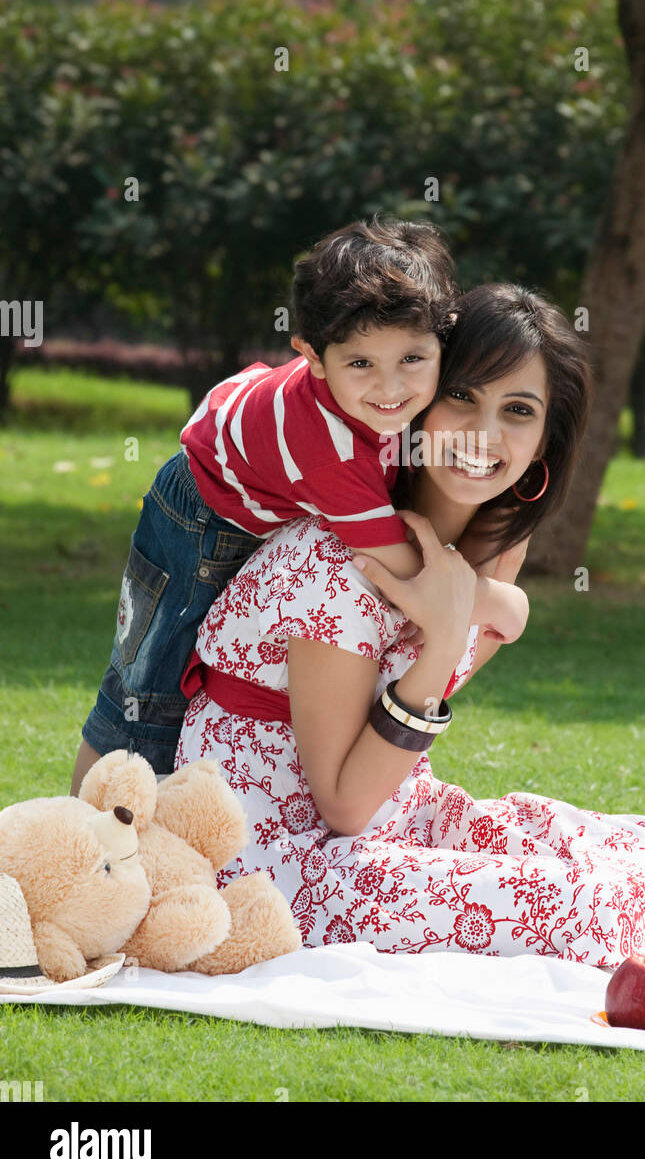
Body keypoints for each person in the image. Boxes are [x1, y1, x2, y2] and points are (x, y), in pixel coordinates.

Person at [174, 283, 645, 965]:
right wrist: (444, 635)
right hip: (277, 863)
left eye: (518, 410)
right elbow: (342, 803)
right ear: (420, 401)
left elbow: (379, 784)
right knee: (590, 909)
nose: (484, 436)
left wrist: (486, 603)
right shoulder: (339, 561)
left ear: (546, 439)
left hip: (392, 812)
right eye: (464, 396)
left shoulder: (495, 548)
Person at [70, 216, 522, 791]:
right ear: (311, 355)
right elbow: (392, 566)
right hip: (200, 519)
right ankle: (85, 836)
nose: (391, 389)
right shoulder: (328, 451)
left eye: (412, 359)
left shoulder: (365, 412)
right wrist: (497, 606)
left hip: (250, 478)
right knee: (145, 688)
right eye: (361, 364)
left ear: (443, 338)